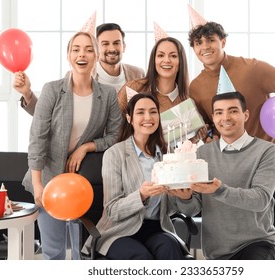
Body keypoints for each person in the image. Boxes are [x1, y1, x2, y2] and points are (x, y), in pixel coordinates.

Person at [187, 21, 275, 259]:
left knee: (271, 231)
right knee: (228, 233)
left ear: (223, 42)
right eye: (198, 43)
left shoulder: (252, 69)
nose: (205, 47)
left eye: (211, 40)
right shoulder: (196, 87)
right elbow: (208, 128)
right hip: (224, 170)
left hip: (264, 165)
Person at [22, 31, 122, 260]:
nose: (82, 54)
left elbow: (114, 136)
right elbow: (38, 136)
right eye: (76, 49)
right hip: (49, 179)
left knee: (82, 249)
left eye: (88, 49)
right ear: (68, 55)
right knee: (54, 249)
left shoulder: (107, 95)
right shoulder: (52, 89)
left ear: (96, 56)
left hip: (83, 182)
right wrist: (38, 184)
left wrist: (86, 147)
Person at [174, 91, 275, 260]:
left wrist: (219, 190)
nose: (226, 117)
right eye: (219, 112)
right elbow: (193, 209)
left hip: (256, 244)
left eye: (233, 111)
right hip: (216, 251)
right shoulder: (203, 153)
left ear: (245, 115)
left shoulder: (266, 151)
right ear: (214, 118)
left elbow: (260, 200)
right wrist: (185, 199)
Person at [83, 93, 187, 259]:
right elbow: (111, 211)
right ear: (129, 118)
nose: (148, 117)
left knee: (170, 250)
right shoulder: (115, 154)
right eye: (140, 112)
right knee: (141, 258)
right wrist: (141, 195)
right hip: (119, 231)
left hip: (157, 228)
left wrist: (184, 197)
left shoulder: (170, 154)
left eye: (153, 112)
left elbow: (174, 208)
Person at [13, 23, 145, 116]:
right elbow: (46, 114)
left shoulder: (138, 74)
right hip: (93, 147)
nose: (112, 49)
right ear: (97, 49)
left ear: (124, 46)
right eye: (105, 44)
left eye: (117, 43)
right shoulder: (76, 76)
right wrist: (27, 93)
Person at [117, 37, 189, 114]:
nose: (167, 60)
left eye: (173, 56)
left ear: (181, 61)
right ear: (153, 60)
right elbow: (115, 123)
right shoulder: (132, 88)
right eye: (161, 55)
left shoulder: (188, 98)